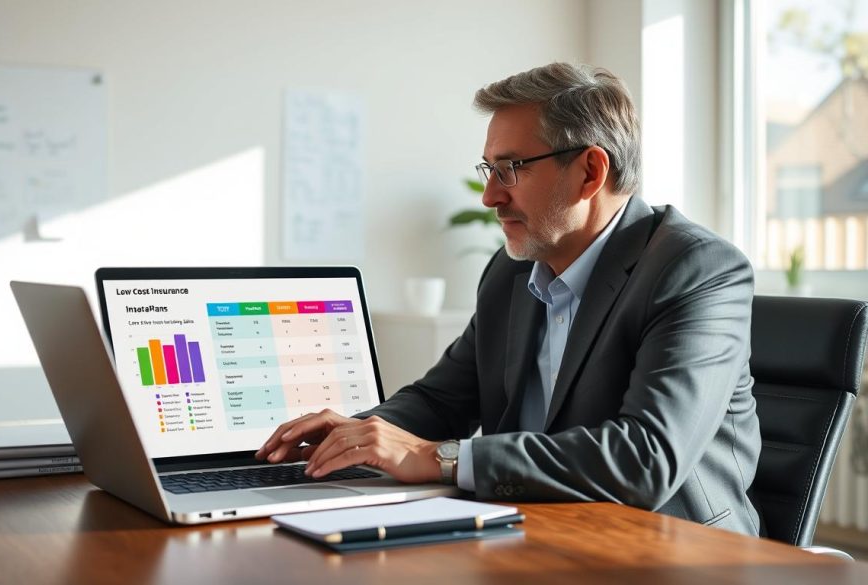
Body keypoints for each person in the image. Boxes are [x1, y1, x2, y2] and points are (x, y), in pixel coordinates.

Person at [256, 62, 761, 536]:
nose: (490, 196)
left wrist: (443, 459)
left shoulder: (696, 270)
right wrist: (357, 434)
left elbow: (644, 459)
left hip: (672, 550)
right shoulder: (511, 273)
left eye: (511, 169)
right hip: (536, 533)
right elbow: (442, 399)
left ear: (590, 172)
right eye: (489, 169)